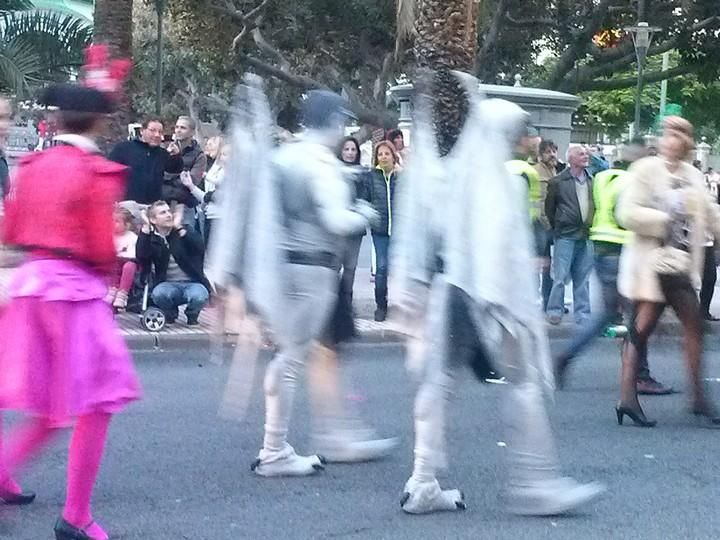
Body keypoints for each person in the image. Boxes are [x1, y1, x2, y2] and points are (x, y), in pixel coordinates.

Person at [393, 73, 603, 516]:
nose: (526, 139)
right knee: (523, 382)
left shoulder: (456, 173)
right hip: (487, 299)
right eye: (521, 131)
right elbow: (496, 249)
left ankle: (423, 479)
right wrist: (504, 306)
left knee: (440, 383)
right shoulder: (499, 181)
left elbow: (429, 233)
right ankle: (533, 483)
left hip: (451, 292)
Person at [0, 45, 141, 540]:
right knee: (95, 400)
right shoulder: (95, 172)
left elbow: (11, 230)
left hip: (32, 285)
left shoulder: (33, 167)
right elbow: (102, 247)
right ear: (99, 123)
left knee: (48, 402)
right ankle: (76, 515)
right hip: (74, 292)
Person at [615, 116, 720, 428]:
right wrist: (666, 218)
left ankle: (691, 398)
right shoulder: (645, 170)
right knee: (647, 328)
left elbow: (709, 211)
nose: (671, 141)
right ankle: (692, 399)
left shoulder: (692, 174)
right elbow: (626, 213)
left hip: (679, 263)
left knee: (686, 326)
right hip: (653, 262)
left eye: (678, 135)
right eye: (668, 134)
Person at [554, 140, 672, 395]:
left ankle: (566, 356)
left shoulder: (603, 177)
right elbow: (631, 217)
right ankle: (640, 376)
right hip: (622, 251)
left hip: (601, 247)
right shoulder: (633, 182)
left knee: (608, 314)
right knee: (639, 316)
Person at [136, 198, 211, 325]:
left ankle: (192, 316)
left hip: (192, 283)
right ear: (154, 220)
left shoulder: (184, 230)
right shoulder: (153, 238)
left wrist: (179, 228)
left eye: (168, 211)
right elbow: (142, 256)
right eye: (163, 213)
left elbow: (199, 247)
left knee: (199, 296)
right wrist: (146, 228)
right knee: (159, 294)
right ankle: (170, 314)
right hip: (168, 284)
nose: (168, 215)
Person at [545, 145, 595, 325]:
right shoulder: (558, 182)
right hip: (565, 235)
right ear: (571, 159)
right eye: (581, 154)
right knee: (560, 277)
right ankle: (554, 311)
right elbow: (549, 209)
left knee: (583, 278)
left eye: (586, 154)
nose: (585, 156)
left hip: (585, 235)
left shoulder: (591, 180)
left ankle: (583, 314)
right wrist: (559, 225)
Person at [108, 118, 184, 204]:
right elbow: (111, 172)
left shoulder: (162, 153)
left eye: (160, 132)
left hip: (153, 207)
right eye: (152, 130)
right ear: (142, 131)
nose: (157, 135)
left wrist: (176, 155)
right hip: (127, 205)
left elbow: (175, 169)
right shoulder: (124, 148)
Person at [366, 141, 399, 321]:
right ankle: (381, 305)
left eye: (387, 154)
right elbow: (367, 199)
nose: (384, 157)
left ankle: (403, 306)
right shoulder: (372, 176)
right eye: (380, 154)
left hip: (400, 231)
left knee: (402, 269)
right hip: (380, 231)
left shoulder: (401, 176)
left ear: (393, 156)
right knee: (382, 268)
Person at [336, 136, 369, 311]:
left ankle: (346, 306)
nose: (349, 153)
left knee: (350, 268)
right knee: (333, 268)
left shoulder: (363, 174)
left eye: (353, 150)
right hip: (337, 228)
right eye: (346, 149)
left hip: (355, 230)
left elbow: (365, 199)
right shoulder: (332, 171)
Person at [182, 141, 228, 248]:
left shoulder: (229, 174)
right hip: (209, 215)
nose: (207, 146)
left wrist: (211, 195)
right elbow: (205, 197)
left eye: (212, 144)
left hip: (221, 217)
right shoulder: (216, 170)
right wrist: (190, 186)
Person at [534, 139, 560, 310]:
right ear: (540, 154)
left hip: (551, 225)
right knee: (539, 265)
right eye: (548, 152)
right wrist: (546, 224)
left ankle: (547, 301)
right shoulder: (536, 172)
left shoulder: (554, 170)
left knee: (549, 267)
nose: (552, 155)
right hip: (540, 225)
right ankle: (535, 300)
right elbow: (539, 201)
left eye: (554, 151)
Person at [108, 206, 138, 311]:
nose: (113, 224)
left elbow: (132, 256)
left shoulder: (132, 238)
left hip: (128, 264)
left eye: (117, 221)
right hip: (112, 266)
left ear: (127, 225)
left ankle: (122, 293)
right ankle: (112, 289)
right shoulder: (110, 236)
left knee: (129, 266)